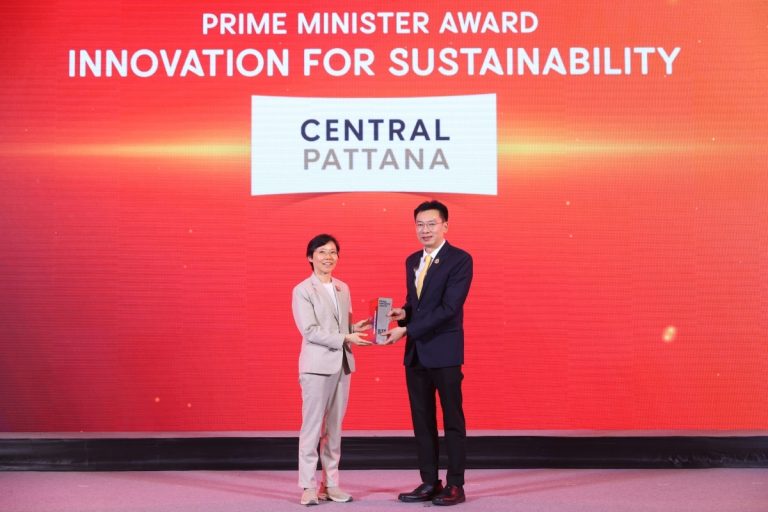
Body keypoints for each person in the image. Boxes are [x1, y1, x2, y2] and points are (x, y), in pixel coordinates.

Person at [384, 200, 473, 506]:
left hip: (445, 352)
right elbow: (417, 303)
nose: (425, 230)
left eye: (431, 224)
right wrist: (403, 313)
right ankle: (429, 481)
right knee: (422, 420)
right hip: (416, 354)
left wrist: (407, 329)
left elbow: (449, 308)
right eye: (420, 224)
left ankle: (456, 484)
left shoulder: (460, 259)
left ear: (445, 225)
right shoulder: (412, 260)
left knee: (452, 420)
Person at [292, 234, 371, 506]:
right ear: (310, 257)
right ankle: (308, 486)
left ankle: (331, 484)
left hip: (342, 365)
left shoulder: (342, 288)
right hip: (316, 367)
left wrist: (356, 328)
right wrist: (346, 337)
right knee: (312, 427)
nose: (328, 257)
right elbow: (310, 330)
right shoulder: (303, 290)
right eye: (322, 252)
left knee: (334, 429)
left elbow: (341, 328)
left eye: (333, 252)